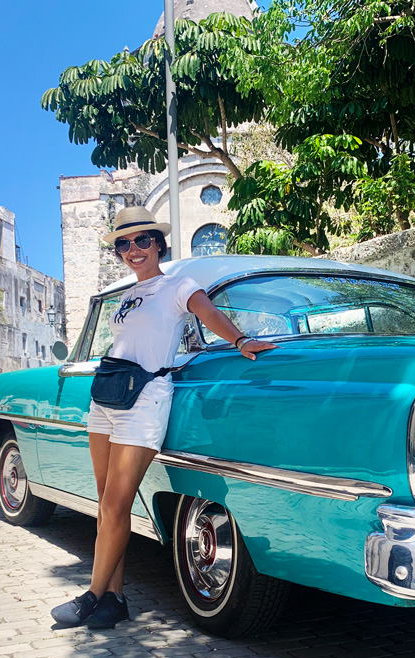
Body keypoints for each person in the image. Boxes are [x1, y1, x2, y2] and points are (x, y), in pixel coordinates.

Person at [51, 207, 278, 629]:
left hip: (146, 397)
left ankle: (92, 595)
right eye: (124, 243)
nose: (133, 250)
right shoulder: (125, 295)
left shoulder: (178, 285)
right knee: (106, 505)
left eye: (142, 240)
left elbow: (207, 313)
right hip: (107, 397)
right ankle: (114, 599)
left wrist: (240, 339)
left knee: (118, 502)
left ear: (158, 243)